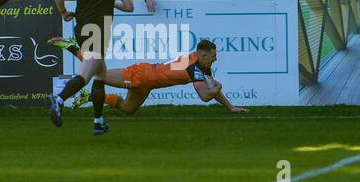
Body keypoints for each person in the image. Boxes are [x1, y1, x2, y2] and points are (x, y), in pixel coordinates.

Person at [48, 0, 134, 135]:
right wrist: (112, 0)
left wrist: (62, 12)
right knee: (86, 74)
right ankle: (59, 99)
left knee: (100, 75)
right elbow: (129, 7)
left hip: (82, 29)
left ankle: (98, 121)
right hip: (99, 30)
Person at [48, 37, 249, 115]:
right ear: (204, 54)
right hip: (141, 75)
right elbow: (206, 96)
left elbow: (210, 88)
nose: (216, 59)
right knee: (98, 73)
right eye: (213, 56)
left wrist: (230, 107)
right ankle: (73, 47)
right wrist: (218, 87)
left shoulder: (199, 63)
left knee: (128, 109)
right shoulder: (194, 67)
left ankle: (89, 97)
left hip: (147, 82)